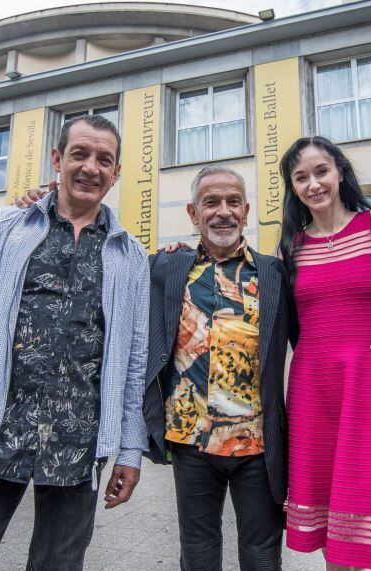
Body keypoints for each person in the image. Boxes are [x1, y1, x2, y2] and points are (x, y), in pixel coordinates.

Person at [18, 165, 296, 571]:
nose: (223, 212)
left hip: (258, 441)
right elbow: (99, 252)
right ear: (193, 213)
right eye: (211, 202)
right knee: (198, 553)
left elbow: (312, 338)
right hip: (190, 441)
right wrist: (48, 200)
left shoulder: (274, 273)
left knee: (261, 555)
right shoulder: (165, 266)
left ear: (247, 210)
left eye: (233, 202)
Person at [0, 114, 150, 571]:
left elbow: (133, 363)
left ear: (116, 174)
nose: (91, 168)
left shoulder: (129, 256)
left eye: (105, 160)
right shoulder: (3, 229)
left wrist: (130, 449)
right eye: (80, 154)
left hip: (78, 448)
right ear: (58, 159)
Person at [278, 137, 371, 570]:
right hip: (312, 388)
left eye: (321, 171)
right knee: (326, 503)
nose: (313, 184)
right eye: (300, 177)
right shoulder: (290, 248)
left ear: (339, 170)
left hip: (369, 383)